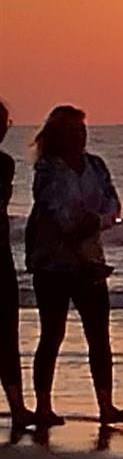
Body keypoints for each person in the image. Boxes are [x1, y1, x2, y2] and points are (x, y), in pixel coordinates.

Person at [27, 104, 123, 429]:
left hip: (90, 260)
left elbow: (113, 203)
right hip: (54, 263)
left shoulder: (95, 166)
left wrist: (97, 220)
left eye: (82, 130)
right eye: (72, 131)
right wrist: (79, 223)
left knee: (99, 336)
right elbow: (54, 211)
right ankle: (43, 405)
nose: (80, 137)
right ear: (58, 136)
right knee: (52, 334)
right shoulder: (47, 170)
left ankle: (106, 404)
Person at [0, 102, 29, 436]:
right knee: (6, 334)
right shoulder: (2, 165)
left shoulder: (4, 164)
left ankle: (18, 407)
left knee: (7, 333)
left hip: (0, 253)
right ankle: (17, 407)